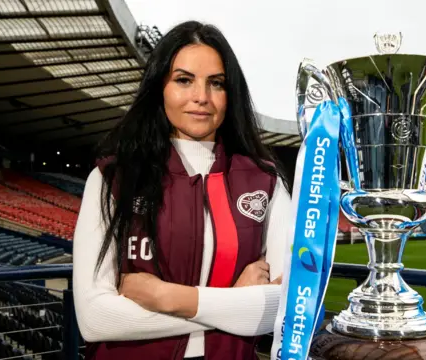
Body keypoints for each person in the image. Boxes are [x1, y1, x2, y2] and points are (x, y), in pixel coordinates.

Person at [72, 20, 292, 360]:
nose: (201, 97)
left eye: (216, 83)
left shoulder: (265, 181)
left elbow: (288, 303)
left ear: (229, 93)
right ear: (160, 87)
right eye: (184, 80)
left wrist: (168, 297)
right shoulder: (112, 177)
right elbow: (95, 318)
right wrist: (232, 303)